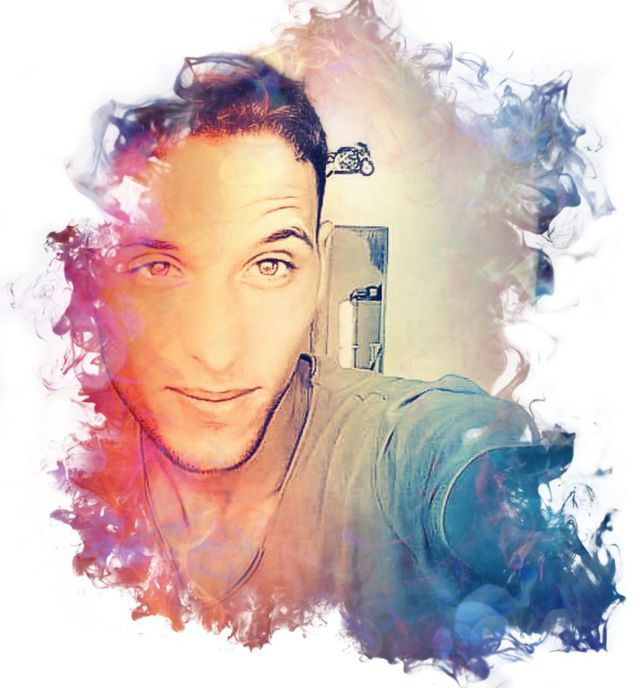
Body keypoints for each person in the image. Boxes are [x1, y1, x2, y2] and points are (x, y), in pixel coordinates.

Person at [49, 53, 620, 677]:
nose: (216, 353)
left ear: (319, 270)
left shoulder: (395, 454)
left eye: (270, 265)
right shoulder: (54, 468)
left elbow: (467, 463)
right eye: (159, 267)